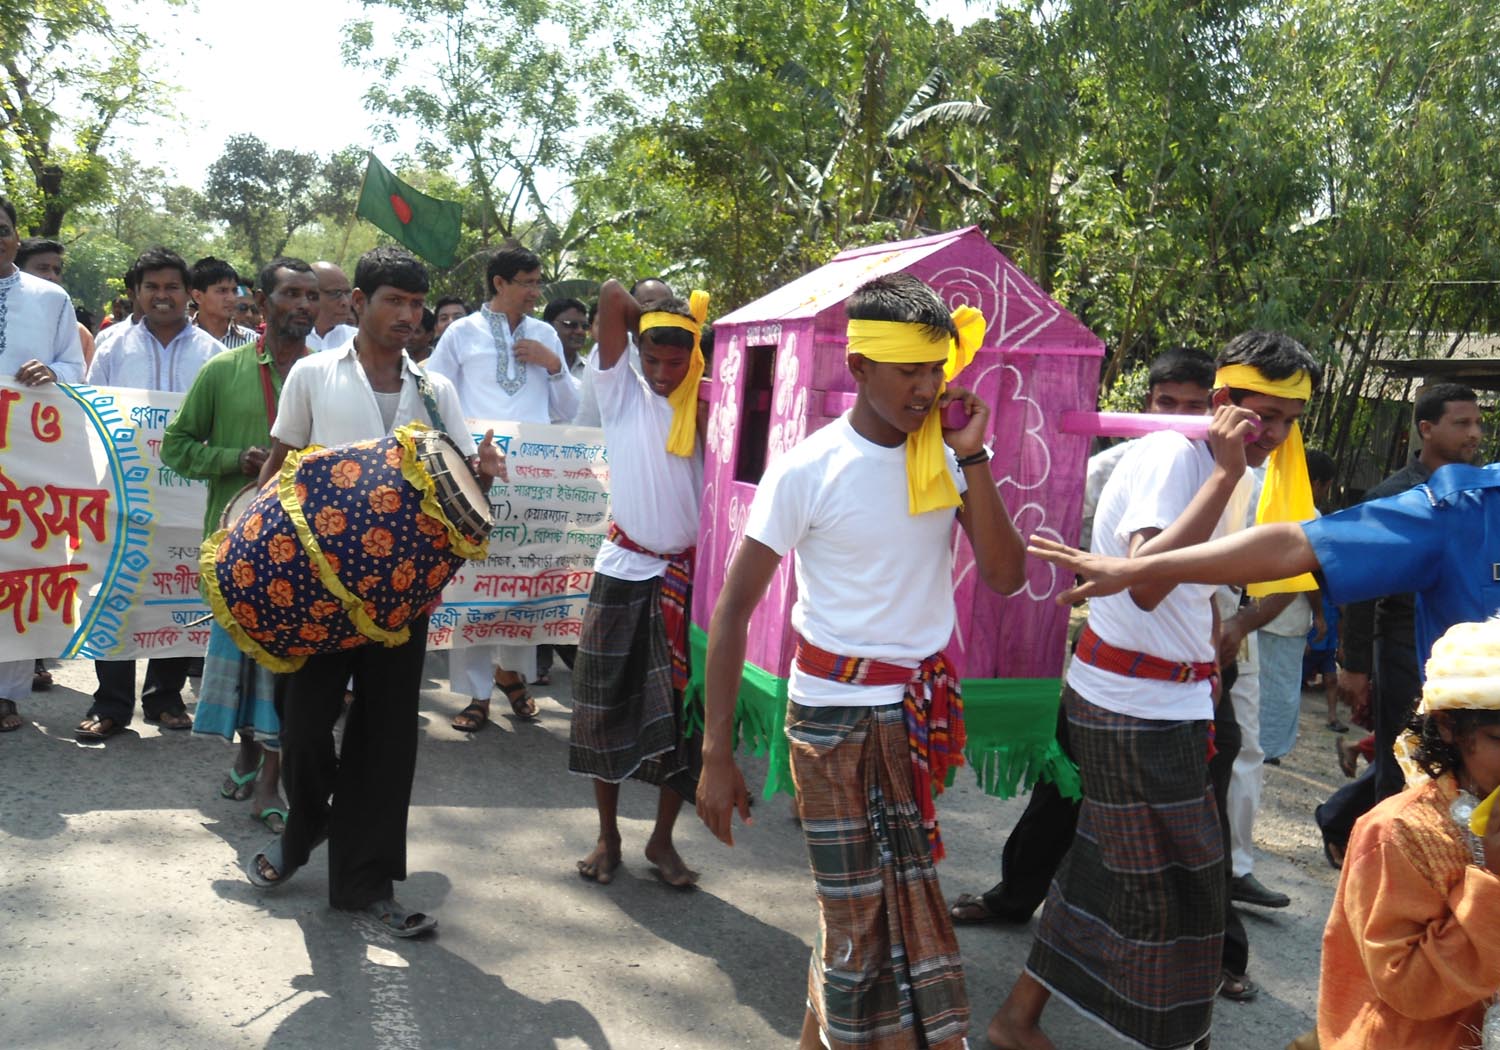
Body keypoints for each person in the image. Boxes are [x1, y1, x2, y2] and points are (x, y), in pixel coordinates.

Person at [699, 274, 1026, 1050]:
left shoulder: (947, 460)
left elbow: (1007, 575)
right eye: (908, 370)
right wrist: (715, 752)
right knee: (860, 917)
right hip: (830, 719)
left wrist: (975, 458)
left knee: (865, 911)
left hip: (913, 715)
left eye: (936, 368)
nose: (927, 387)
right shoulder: (808, 468)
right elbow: (732, 612)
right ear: (859, 366)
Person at [989, 330, 1321, 1050]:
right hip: (1131, 702)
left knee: (1116, 867)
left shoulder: (1228, 466)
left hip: (1172, 697)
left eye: (1289, 421)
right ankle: (1170, 1037)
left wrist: (1214, 642)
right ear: (1224, 402)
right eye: (1264, 416)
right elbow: (1146, 582)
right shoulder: (1181, 457)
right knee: (1177, 890)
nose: (1273, 435)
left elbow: (1201, 583)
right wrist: (1224, 477)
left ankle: (1020, 1017)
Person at [243, 246, 505, 937]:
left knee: (386, 741)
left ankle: (367, 885)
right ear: (358, 303)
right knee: (303, 732)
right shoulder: (312, 374)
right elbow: (279, 466)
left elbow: (462, 489)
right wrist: (244, 546)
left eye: (417, 305)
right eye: (394, 301)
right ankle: (309, 825)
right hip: (317, 595)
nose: (409, 316)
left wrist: (485, 472)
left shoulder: (436, 390)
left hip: (402, 597)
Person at [949, 346, 1215, 928]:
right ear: (1146, 404)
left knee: (1186, 825)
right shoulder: (1133, 460)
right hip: (1111, 667)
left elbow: (1213, 583)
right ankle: (1018, 899)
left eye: (1195, 407)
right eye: (1167, 403)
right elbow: (1064, 511)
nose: (1179, 419)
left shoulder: (1229, 470)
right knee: (1065, 793)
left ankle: (1215, 948)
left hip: (1185, 677)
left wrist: (1216, 653)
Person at [161, 257, 321, 832]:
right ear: (263, 300)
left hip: (309, 554)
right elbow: (176, 447)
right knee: (250, 662)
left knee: (287, 667)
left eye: (312, 296)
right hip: (235, 546)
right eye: (292, 294)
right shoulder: (223, 371)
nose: (304, 305)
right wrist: (234, 459)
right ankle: (250, 754)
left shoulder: (329, 376)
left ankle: (271, 780)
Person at [567, 277, 708, 889]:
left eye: (676, 362)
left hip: (690, 580)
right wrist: (659, 322)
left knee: (685, 721)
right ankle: (608, 835)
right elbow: (610, 293)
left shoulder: (711, 403)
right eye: (651, 359)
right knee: (604, 709)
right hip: (624, 571)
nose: (661, 373)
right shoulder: (622, 391)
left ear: (694, 358)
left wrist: (687, 339)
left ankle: (662, 840)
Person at [1316, 383, 1483, 864]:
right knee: (1403, 758)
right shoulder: (1396, 495)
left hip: (1466, 653)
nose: (1474, 434)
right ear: (1426, 428)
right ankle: (1385, 865)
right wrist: (1355, 666)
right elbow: (1361, 590)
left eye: (1478, 423)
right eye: (1462, 423)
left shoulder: (1479, 493)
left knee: (1459, 755)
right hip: (1404, 647)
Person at [1317, 617, 1500, 1050]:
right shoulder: (1398, 833)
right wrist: (1492, 878)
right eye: (1499, 738)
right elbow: (1409, 988)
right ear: (1448, 726)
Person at [427, 244, 579, 730]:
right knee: (473, 581)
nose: (536, 292)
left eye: (538, 282)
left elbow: (568, 410)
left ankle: (512, 673)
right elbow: (434, 396)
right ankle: (475, 694)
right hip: (476, 476)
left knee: (521, 581)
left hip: (533, 477)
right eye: (527, 283)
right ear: (499, 283)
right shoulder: (462, 332)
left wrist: (553, 365)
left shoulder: (544, 334)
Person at [78, 246, 223, 741]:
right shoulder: (111, 346)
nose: (163, 296)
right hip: (122, 489)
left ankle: (165, 698)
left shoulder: (214, 354)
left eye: (172, 287)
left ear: (189, 294)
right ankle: (110, 703)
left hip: (189, 494)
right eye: (152, 287)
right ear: (137, 293)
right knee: (113, 590)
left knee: (177, 587)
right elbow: (91, 414)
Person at [0, 198, 87, 734]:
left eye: (2, 229)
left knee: (13, 568)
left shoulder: (51, 298)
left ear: (15, 236)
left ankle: (6, 694)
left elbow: (75, 367)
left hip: (24, 458)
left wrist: (52, 372)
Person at [573, 277, 670, 428]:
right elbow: (588, 415)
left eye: (665, 305)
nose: (659, 312)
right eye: (648, 304)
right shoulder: (609, 351)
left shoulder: (687, 351)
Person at [16, 236, 96, 370]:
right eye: (43, 268)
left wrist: (53, 373)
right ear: (18, 271)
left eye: (57, 271)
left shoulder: (78, 333)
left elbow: (80, 375)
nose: (52, 276)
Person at [190, 256, 258, 350]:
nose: (232, 298)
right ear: (198, 296)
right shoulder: (179, 339)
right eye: (222, 290)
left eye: (234, 291)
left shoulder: (253, 343)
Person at [305, 261, 358, 351]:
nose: (345, 302)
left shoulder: (358, 341)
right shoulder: (290, 338)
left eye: (347, 293)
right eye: (335, 293)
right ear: (311, 294)